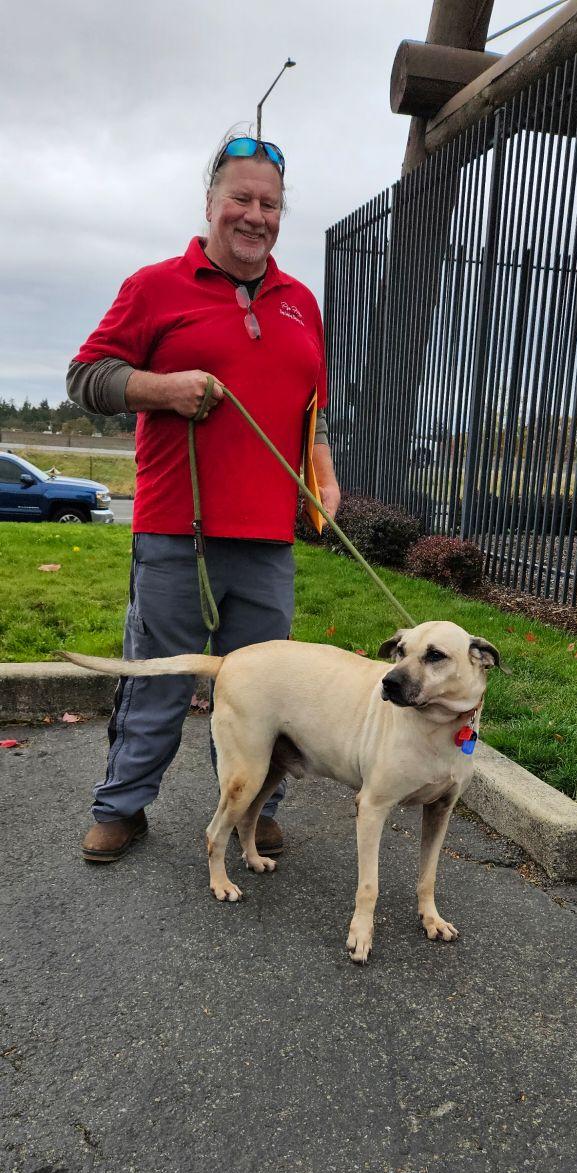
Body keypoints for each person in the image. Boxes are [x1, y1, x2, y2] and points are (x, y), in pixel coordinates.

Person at [67, 133, 340, 864]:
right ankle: (121, 807)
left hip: (268, 540)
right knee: (158, 681)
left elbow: (311, 405)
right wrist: (161, 388)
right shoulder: (155, 286)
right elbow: (86, 376)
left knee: (269, 694)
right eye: (241, 200)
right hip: (173, 534)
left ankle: (251, 811)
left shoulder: (300, 303)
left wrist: (321, 472)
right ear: (212, 203)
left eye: (270, 204)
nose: (255, 216)